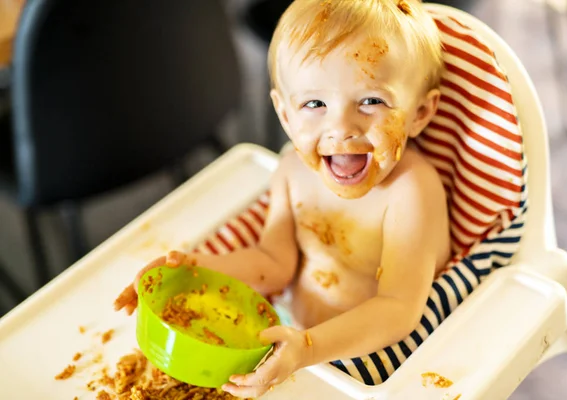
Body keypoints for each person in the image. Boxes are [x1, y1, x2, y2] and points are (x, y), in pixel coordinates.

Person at [115, 0, 450, 397]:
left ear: (420, 112)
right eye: (315, 104)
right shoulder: (292, 171)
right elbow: (273, 264)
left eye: (371, 101)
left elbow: (398, 308)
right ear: (285, 113)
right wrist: (196, 268)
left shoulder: (411, 191)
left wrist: (309, 348)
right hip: (297, 343)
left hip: (378, 363)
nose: (341, 128)